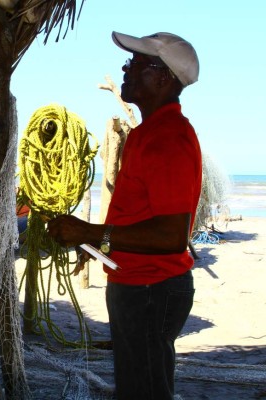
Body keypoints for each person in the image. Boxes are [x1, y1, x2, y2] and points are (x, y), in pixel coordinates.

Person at [47, 31, 202, 400]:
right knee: (139, 386)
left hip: (151, 289)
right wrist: (95, 240)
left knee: (143, 391)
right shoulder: (148, 133)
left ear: (163, 78)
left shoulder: (169, 137)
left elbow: (170, 236)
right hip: (138, 285)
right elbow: (139, 217)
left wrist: (93, 230)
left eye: (137, 63)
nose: (125, 67)